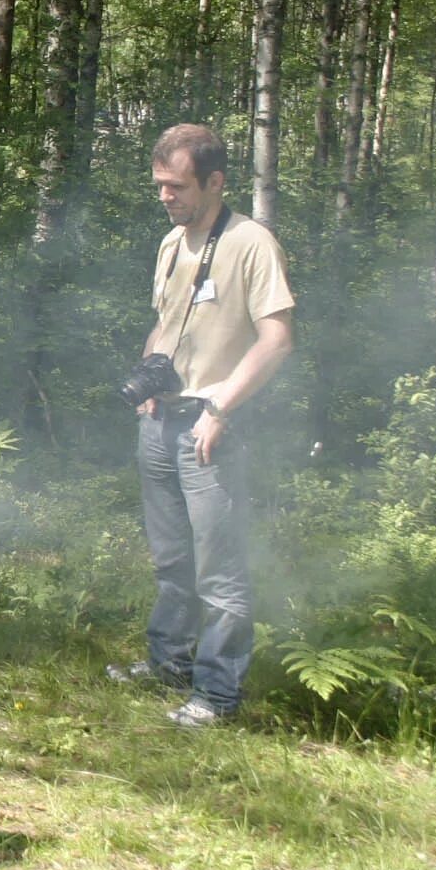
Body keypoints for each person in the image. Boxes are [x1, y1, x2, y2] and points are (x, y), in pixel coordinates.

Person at [109, 123, 294, 729]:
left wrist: (220, 408)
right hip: (160, 420)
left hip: (214, 426)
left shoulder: (251, 242)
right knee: (171, 559)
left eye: (178, 186)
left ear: (215, 181)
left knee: (220, 570)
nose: (166, 196)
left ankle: (216, 695)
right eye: (160, 185)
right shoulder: (170, 244)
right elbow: (164, 326)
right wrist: (145, 383)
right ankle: (168, 663)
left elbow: (277, 340)